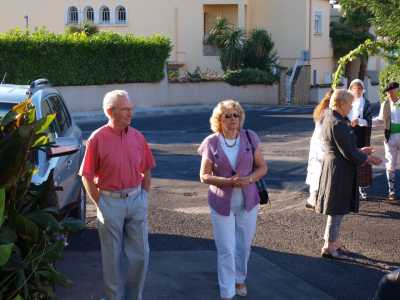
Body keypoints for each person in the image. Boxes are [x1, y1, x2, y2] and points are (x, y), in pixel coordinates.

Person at [79, 90, 155, 300]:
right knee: (111, 257)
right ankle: (114, 297)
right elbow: (86, 175)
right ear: (110, 112)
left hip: (136, 199)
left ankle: (134, 296)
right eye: (125, 109)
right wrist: (100, 203)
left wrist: (143, 197)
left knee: (141, 255)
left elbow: (147, 170)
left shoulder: (138, 137)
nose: (130, 113)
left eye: (130, 108)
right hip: (109, 201)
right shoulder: (97, 138)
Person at [198, 100, 267, 300]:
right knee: (226, 248)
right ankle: (227, 290)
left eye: (235, 115)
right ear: (219, 120)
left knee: (244, 246)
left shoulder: (250, 137)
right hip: (221, 204)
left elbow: (262, 167)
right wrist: (227, 182)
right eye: (227, 116)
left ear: (240, 118)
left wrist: (250, 179)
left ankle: (239, 279)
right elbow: (204, 175)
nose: (232, 119)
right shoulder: (211, 142)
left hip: (248, 202)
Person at [316, 89, 382, 258]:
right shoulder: (338, 123)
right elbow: (348, 153)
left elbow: (345, 149)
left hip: (335, 167)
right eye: (350, 104)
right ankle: (330, 247)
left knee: (336, 208)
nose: (351, 107)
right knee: (337, 209)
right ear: (342, 104)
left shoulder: (329, 118)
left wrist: (360, 150)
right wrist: (368, 158)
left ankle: (332, 241)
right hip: (339, 170)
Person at [305, 89, 333, 210]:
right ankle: (316, 199)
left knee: (315, 171)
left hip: (316, 143)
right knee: (320, 171)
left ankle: (313, 199)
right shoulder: (328, 112)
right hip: (322, 144)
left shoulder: (320, 108)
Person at [373, 82, 400, 201]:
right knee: (390, 163)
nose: (389, 93)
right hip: (390, 137)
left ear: (397, 90)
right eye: (388, 92)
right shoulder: (385, 104)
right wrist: (366, 122)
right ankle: (391, 190)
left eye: (391, 91)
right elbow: (380, 119)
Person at [348, 79, 373, 200]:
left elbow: (369, 121)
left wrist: (359, 121)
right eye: (355, 88)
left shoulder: (366, 103)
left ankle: (362, 188)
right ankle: (350, 188)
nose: (357, 91)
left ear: (363, 90)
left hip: (361, 134)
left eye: (359, 89)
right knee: (349, 160)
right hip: (348, 133)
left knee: (362, 160)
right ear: (351, 89)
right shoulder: (347, 102)